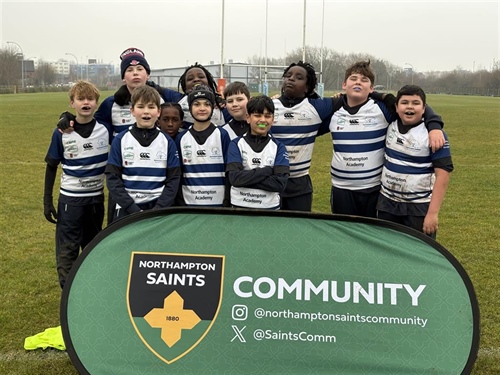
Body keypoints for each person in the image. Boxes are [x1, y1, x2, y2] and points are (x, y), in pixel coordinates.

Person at [328, 60, 445, 218]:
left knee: (372, 235)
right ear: (344, 84)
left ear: (371, 88)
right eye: (353, 79)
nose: (358, 83)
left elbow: (412, 106)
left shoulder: (382, 108)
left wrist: (435, 125)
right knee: (344, 235)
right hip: (341, 189)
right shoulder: (333, 108)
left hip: (373, 188)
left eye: (364, 80)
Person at [43, 80, 111, 289]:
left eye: (90, 99)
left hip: (95, 200)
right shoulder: (62, 133)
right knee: (68, 250)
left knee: (92, 248)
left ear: (96, 103)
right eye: (80, 99)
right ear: (72, 103)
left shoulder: (105, 130)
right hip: (70, 201)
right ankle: (67, 296)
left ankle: (88, 292)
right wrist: (47, 200)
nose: (86, 103)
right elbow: (52, 165)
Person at [377, 85, 453, 239]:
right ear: (396, 107)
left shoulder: (434, 135)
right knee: (388, 251)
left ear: (424, 108)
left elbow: (443, 176)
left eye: (416, 103)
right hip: (387, 204)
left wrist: (432, 214)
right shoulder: (390, 124)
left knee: (420, 255)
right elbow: (368, 96)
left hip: (418, 208)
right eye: (405, 102)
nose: (410, 107)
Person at [105, 85, 181, 222]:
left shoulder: (167, 142)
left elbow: (173, 179)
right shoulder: (121, 140)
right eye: (141, 107)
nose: (146, 112)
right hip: (127, 209)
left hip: (157, 210)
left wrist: (159, 208)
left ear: (158, 112)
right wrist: (131, 208)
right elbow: (112, 178)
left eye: (151, 107)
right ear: (132, 111)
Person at [270, 61, 335, 212]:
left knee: (299, 231)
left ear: (307, 87)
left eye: (299, 77)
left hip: (300, 184)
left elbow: (347, 101)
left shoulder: (316, 107)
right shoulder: (269, 106)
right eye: (288, 75)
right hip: (271, 181)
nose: (291, 79)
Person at [226, 95, 289, 209]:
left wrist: (246, 177)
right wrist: (267, 171)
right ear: (248, 118)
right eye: (257, 115)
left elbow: (280, 184)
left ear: (273, 119)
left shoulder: (279, 147)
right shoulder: (235, 144)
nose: (263, 120)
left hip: (269, 210)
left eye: (267, 116)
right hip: (239, 209)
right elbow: (235, 178)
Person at [175, 85, 231, 206]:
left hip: (218, 204)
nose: (202, 108)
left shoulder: (222, 135)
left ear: (212, 107)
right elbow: (178, 174)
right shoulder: (181, 138)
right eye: (197, 104)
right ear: (190, 108)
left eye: (206, 104)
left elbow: (229, 171)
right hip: (190, 204)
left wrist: (226, 200)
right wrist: (181, 202)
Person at [161, 62, 231, 128]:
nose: (196, 79)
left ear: (209, 82)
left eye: (201, 77)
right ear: (185, 87)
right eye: (190, 78)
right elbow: (155, 88)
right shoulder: (179, 99)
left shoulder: (220, 105)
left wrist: (224, 102)